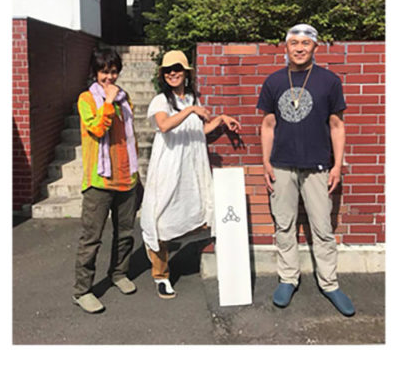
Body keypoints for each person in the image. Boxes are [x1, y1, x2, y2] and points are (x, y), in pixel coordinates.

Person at [256, 23, 356, 316]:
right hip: (281, 165)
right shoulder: (274, 81)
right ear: (286, 47)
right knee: (284, 225)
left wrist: (338, 164)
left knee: (322, 227)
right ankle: (288, 279)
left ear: (315, 47)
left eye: (305, 43)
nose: (299, 48)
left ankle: (329, 283)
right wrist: (265, 161)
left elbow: (337, 125)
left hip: (318, 166)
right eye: (294, 43)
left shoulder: (329, 81)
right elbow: (268, 124)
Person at [140, 50, 241, 299]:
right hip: (168, 166)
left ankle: (162, 266)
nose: (172, 73)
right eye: (168, 70)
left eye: (177, 68)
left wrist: (220, 119)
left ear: (186, 73)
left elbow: (197, 130)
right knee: (160, 218)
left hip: (190, 166)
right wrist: (192, 110)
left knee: (194, 211)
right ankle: (160, 275)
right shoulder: (161, 101)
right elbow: (164, 125)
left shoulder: (191, 98)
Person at [72, 48, 140, 314]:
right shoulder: (86, 99)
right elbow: (98, 128)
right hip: (98, 182)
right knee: (91, 239)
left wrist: (136, 174)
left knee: (125, 234)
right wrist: (108, 102)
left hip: (126, 178)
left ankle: (119, 273)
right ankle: (82, 291)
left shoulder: (125, 98)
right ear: (95, 73)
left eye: (113, 72)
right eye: (104, 72)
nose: (109, 77)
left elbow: (129, 137)